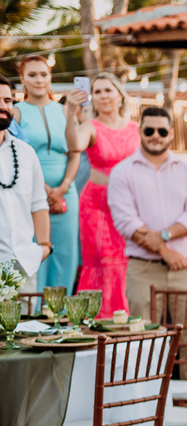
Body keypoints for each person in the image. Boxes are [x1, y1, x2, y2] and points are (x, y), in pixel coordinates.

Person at [108, 106, 187, 380]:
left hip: (185, 269)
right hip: (143, 271)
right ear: (140, 131)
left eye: (161, 131)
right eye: (149, 130)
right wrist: (164, 251)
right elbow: (125, 221)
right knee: (143, 343)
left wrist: (162, 236)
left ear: (171, 134)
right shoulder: (121, 172)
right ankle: (146, 411)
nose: (155, 136)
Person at [70, 72, 138, 317]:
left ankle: (125, 320)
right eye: (97, 91)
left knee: (126, 261)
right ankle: (95, 321)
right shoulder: (90, 127)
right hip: (96, 205)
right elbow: (74, 145)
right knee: (101, 261)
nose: (103, 95)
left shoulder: (136, 129)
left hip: (129, 205)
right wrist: (70, 115)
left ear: (120, 95)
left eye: (108, 90)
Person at [14, 56, 81, 292]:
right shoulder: (16, 112)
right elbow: (18, 154)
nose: (39, 80)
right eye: (32, 75)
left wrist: (63, 187)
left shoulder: (64, 110)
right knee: (37, 253)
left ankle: (61, 318)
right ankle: (36, 317)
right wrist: (44, 191)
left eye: (43, 74)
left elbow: (75, 152)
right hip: (32, 194)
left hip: (66, 193)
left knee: (65, 254)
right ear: (22, 79)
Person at [0, 76, 51, 291]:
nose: (3, 107)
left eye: (8, 101)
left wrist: (44, 247)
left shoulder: (25, 152)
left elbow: (38, 203)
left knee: (27, 325)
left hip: (24, 265)